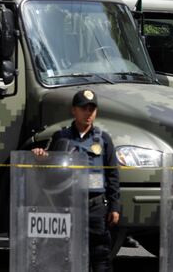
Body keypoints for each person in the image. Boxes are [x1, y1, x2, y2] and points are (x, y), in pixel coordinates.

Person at [32, 89, 120, 272]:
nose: (88, 113)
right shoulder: (60, 137)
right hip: (67, 205)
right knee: (66, 255)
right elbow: (50, 173)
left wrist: (114, 207)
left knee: (100, 256)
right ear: (74, 110)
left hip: (95, 206)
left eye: (92, 108)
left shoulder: (103, 139)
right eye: (83, 108)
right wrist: (41, 157)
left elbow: (112, 175)